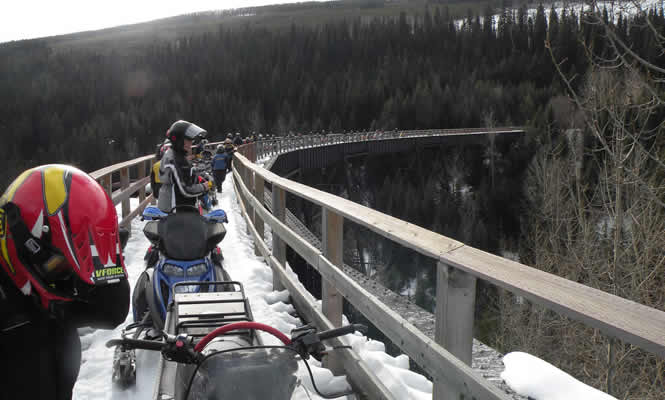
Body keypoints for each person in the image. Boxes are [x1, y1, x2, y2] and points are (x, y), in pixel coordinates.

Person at [0, 164, 130, 400]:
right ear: (25, 246)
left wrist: (106, 262)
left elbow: (112, 311)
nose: (74, 285)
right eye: (61, 269)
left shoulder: (51, 298)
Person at [158, 120, 212, 213]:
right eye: (188, 140)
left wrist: (197, 174)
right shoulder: (175, 159)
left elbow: (181, 176)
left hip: (178, 208)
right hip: (176, 211)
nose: (191, 143)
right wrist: (206, 186)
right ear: (178, 140)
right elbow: (186, 190)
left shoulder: (176, 155)